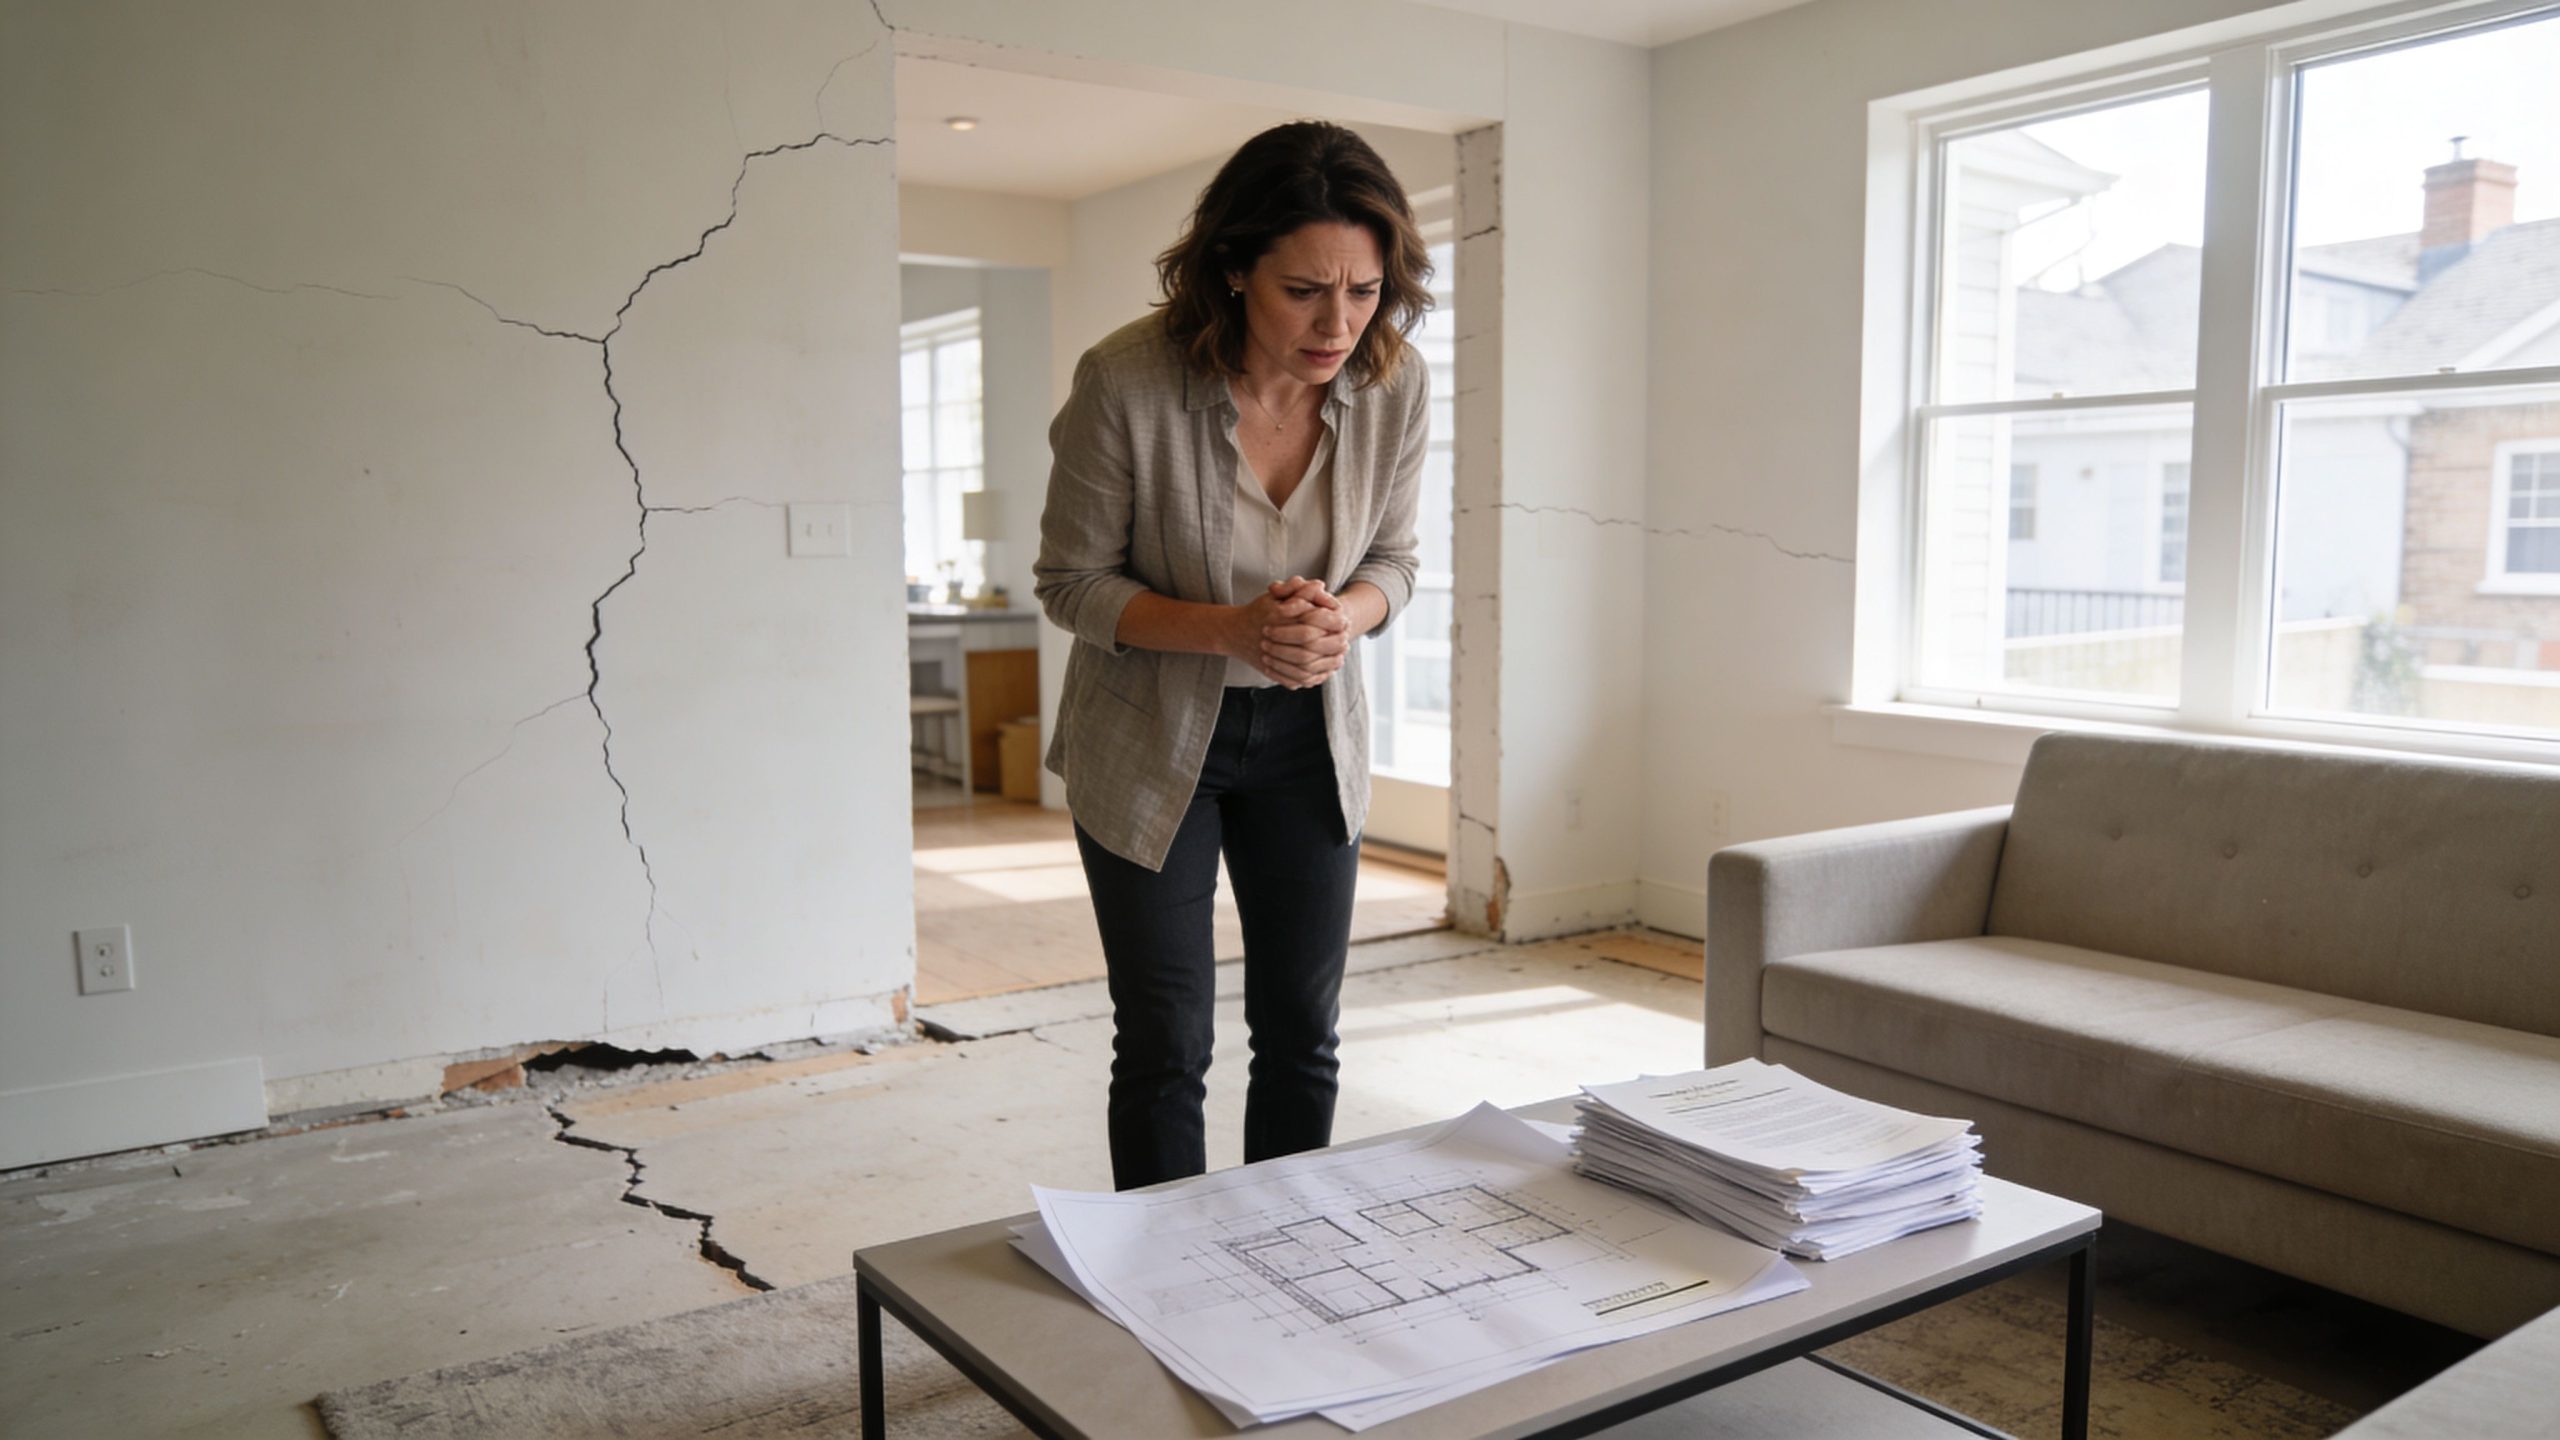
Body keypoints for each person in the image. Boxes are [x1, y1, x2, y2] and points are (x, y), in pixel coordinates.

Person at [1033, 121, 1433, 1191]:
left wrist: (1341, 618)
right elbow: (1070, 584)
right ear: (1231, 270)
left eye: (1362, 290)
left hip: (1310, 738)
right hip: (1153, 736)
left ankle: (1282, 1261)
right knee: (1167, 1041)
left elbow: (1395, 561)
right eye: (1304, 289)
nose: (1338, 322)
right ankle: (1162, 1277)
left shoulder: (1396, 384)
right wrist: (1232, 628)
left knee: (1303, 1030)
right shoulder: (1126, 380)